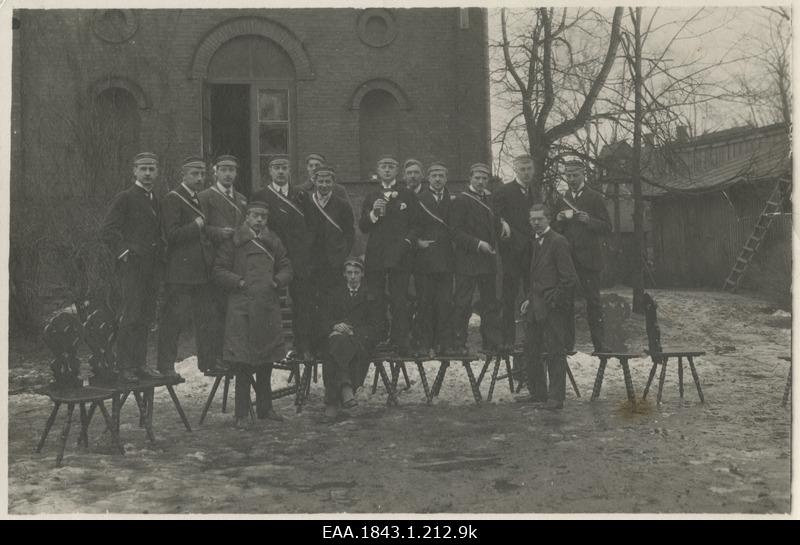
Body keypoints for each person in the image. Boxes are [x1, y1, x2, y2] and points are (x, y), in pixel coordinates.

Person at [213, 201, 293, 424]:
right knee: (243, 363)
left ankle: (265, 409)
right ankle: (241, 414)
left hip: (267, 306)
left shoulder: (273, 241)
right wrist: (238, 282)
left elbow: (286, 266)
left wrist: (278, 281)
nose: (259, 220)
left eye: (264, 217)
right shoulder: (234, 242)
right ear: (246, 217)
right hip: (242, 308)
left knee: (266, 361)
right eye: (255, 216)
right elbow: (218, 270)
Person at [101, 152, 165, 383]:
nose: (148, 173)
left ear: (157, 172)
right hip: (133, 268)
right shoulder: (125, 197)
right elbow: (108, 230)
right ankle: (124, 366)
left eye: (152, 169)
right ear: (134, 171)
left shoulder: (155, 199)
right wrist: (125, 252)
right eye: (143, 169)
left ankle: (139, 364)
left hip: (151, 268)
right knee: (131, 315)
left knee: (146, 316)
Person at [251, 155, 315, 360]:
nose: (280, 171)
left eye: (284, 167)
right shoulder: (261, 195)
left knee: (302, 302)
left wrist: (304, 249)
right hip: (272, 256)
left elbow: (311, 226)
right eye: (276, 168)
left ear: (290, 171)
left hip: (298, 257)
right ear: (269, 171)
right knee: (269, 302)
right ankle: (270, 348)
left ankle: (303, 346)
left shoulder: (301, 195)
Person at [156, 156, 215, 377]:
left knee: (206, 319)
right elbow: (171, 235)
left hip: (200, 271)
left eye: (202, 174)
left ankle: (207, 363)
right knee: (174, 320)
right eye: (195, 174)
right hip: (180, 273)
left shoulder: (198, 199)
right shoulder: (173, 198)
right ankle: (166, 366)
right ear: (184, 175)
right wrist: (196, 225)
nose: (200, 178)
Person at [358, 155, 420, 354]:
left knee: (399, 299)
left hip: (400, 256)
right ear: (378, 169)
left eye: (391, 167)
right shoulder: (371, 196)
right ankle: (377, 338)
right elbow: (363, 227)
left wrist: (407, 243)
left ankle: (401, 340)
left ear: (397, 171)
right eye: (383, 166)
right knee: (375, 298)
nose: (387, 170)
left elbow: (416, 224)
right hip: (376, 256)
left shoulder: (406, 195)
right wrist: (374, 214)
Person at [520, 204, 578, 410]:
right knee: (531, 349)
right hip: (535, 306)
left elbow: (569, 279)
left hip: (552, 308)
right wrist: (529, 297)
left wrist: (553, 299)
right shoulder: (535, 242)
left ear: (549, 220)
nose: (536, 223)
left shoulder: (558, 242)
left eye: (540, 219)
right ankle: (537, 393)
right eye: (532, 219)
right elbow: (536, 275)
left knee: (555, 351)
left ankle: (556, 398)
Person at [553, 158, 611, 353]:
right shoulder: (563, 198)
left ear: (583, 174)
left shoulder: (594, 197)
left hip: (590, 259)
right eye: (568, 175)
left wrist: (590, 221)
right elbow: (556, 230)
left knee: (593, 302)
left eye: (575, 175)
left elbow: (607, 227)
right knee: (566, 303)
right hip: (568, 259)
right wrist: (558, 220)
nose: (571, 179)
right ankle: (568, 346)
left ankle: (600, 346)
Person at [198, 154, 248, 372]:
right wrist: (218, 232)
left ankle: (232, 355)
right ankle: (214, 358)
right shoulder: (205, 196)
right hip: (213, 261)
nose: (228, 174)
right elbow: (200, 228)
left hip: (234, 262)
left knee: (233, 311)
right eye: (224, 170)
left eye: (232, 170)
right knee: (214, 313)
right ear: (215, 172)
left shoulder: (242, 199)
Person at [318, 257, 381, 422]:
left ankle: (332, 403)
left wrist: (354, 331)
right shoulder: (335, 294)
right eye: (349, 273)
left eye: (356, 273)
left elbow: (378, 326)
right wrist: (335, 326)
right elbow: (323, 319)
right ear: (344, 275)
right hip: (337, 338)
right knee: (337, 341)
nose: (353, 276)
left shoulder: (371, 295)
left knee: (336, 347)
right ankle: (346, 387)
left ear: (362, 275)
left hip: (360, 341)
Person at [449, 163, 502, 354]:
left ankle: (492, 343)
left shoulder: (490, 199)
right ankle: (458, 344)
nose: (481, 182)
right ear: (470, 179)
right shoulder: (461, 201)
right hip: (467, 261)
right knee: (463, 304)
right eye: (477, 178)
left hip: (488, 262)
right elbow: (455, 233)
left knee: (490, 304)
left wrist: (502, 225)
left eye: (484, 178)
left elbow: (494, 223)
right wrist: (478, 244)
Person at [305, 164, 355, 351]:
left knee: (331, 302)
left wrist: (341, 255)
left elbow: (350, 233)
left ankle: (331, 342)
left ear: (333, 183)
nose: (324, 185)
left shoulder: (342, 205)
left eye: (327, 181)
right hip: (313, 263)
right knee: (313, 303)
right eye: (320, 181)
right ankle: (315, 343)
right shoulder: (307, 203)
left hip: (334, 264)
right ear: (314, 181)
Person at [493, 154, 539, 351]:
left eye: (529, 169)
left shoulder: (535, 192)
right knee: (509, 297)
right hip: (512, 253)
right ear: (515, 170)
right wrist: (502, 222)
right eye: (522, 169)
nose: (526, 172)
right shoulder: (504, 191)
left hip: (532, 253)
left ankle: (532, 339)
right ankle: (507, 340)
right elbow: (494, 216)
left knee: (533, 295)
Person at [411, 161, 455, 356]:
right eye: (434, 175)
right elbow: (409, 225)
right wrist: (417, 242)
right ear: (428, 178)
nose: (438, 179)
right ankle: (424, 344)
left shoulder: (453, 200)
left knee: (445, 303)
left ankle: (444, 343)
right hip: (425, 259)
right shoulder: (418, 199)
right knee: (425, 303)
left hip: (446, 258)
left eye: (441, 176)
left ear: (446, 178)